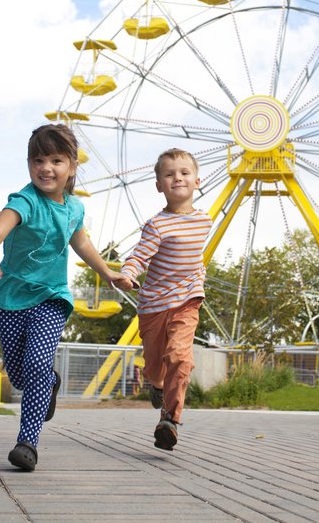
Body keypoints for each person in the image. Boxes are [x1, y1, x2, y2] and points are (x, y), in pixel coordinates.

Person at [0, 123, 123, 472]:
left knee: (38, 364)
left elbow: (82, 243)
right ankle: (48, 384)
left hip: (52, 300)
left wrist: (106, 271)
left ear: (71, 166)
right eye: (38, 160)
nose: (46, 168)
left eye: (56, 160)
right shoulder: (24, 202)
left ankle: (28, 442)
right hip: (11, 300)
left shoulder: (74, 209)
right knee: (21, 375)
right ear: (29, 165)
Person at [114, 148, 212, 451]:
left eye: (184, 173)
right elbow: (140, 255)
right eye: (169, 174)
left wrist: (199, 275)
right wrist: (128, 274)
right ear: (159, 185)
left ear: (197, 181)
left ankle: (169, 419)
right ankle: (155, 384)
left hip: (187, 301)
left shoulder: (205, 221)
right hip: (154, 305)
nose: (177, 178)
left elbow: (194, 256)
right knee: (156, 366)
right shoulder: (157, 225)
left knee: (180, 358)